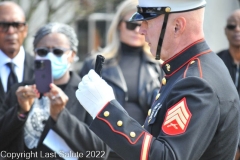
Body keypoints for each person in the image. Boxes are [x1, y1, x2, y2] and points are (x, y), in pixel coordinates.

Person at [75, 0, 240, 159]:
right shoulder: (189, 70)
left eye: (148, 21)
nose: (141, 30)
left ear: (177, 26)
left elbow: (166, 156)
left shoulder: (196, 82)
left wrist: (106, 110)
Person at [0, 22, 109, 160]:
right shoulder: (19, 91)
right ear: (34, 54)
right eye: (42, 51)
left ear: (72, 55)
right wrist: (20, 112)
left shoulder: (88, 93)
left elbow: (100, 151)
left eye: (58, 51)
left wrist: (61, 116)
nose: (50, 56)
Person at [80, 0, 162, 159]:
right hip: (105, 148)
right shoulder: (96, 64)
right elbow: (82, 112)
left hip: (143, 148)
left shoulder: (158, 65)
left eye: (144, 24)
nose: (138, 30)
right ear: (118, 25)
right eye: (132, 25)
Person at [217, 9, 240, 160]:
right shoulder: (216, 63)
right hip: (221, 143)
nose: (237, 29)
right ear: (225, 31)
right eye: (232, 26)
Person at [0, 1, 34, 103]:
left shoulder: (40, 69)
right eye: (4, 25)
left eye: (17, 25)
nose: (11, 31)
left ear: (25, 30)